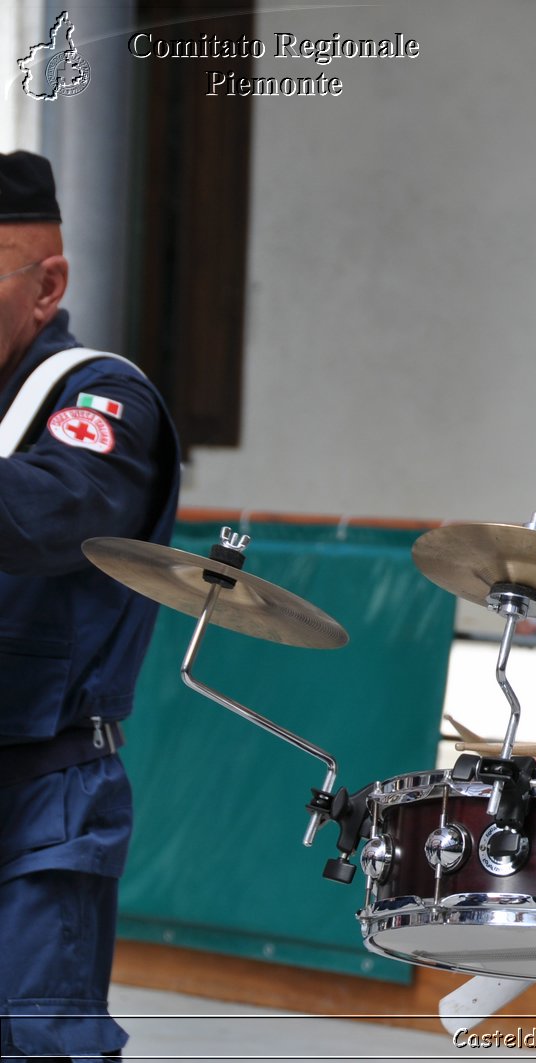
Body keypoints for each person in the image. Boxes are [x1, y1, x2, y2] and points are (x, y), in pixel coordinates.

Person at [0, 152, 181, 1060]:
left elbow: (44, 512)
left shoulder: (99, 396)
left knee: (37, 1043)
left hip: (41, 797)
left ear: (47, 284)